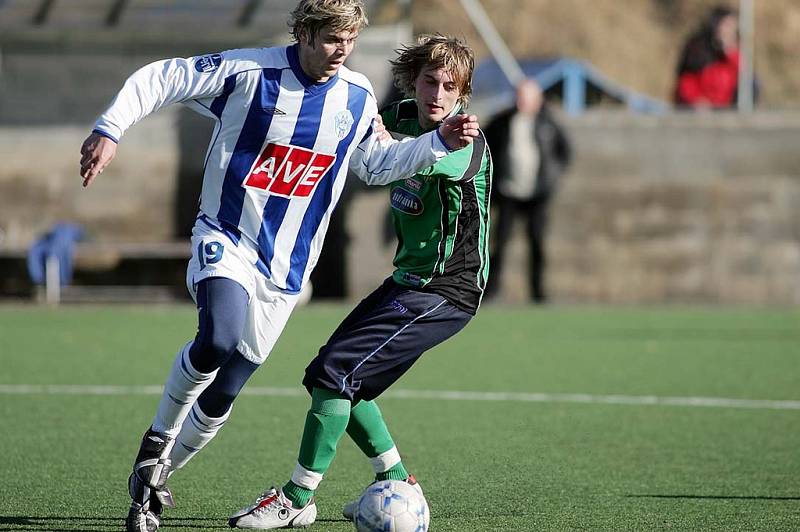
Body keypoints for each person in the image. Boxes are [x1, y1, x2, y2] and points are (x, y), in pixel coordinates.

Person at [78, 1, 481, 530]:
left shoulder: (356, 97)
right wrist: (111, 127)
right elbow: (162, 77)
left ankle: (155, 479)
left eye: (351, 41)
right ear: (306, 33)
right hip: (226, 236)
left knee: (229, 385)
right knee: (217, 339)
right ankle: (157, 441)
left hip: (287, 270)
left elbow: (378, 165)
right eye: (334, 39)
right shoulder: (250, 72)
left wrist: (436, 145)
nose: (343, 52)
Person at [229, 34, 492, 529]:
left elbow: (410, 155)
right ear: (412, 82)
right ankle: (396, 480)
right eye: (430, 81)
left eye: (450, 87)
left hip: (446, 291)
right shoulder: (403, 116)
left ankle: (296, 498)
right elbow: (354, 136)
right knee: (335, 380)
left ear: (463, 95)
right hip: (409, 283)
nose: (438, 94)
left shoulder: (462, 140)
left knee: (336, 374)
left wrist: (382, 135)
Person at [483, 78, 571, 303]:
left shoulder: (548, 123)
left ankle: (538, 293)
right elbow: (484, 148)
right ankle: (491, 291)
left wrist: (551, 179)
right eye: (520, 96)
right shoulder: (501, 121)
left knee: (537, 243)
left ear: (537, 100)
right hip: (508, 193)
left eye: (528, 97)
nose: (522, 102)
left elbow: (565, 152)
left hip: (537, 195)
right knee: (499, 244)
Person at [674, 5, 741, 109]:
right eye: (726, 25)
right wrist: (696, 100)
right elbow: (685, 81)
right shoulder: (697, 48)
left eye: (733, 26)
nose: (729, 31)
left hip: (725, 112)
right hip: (697, 111)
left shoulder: (736, 54)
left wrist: (730, 52)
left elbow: (746, 78)